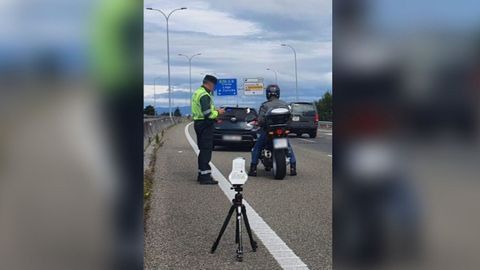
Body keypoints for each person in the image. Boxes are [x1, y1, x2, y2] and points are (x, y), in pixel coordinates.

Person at [248, 84, 297, 176]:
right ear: (278, 94)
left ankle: (253, 168)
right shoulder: (285, 104)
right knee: (288, 147)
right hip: (282, 131)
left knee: (257, 147)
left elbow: (260, 120)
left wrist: (259, 123)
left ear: (268, 94)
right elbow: (290, 119)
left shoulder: (265, 105)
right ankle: (293, 167)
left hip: (268, 132)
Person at [191, 75, 225, 184]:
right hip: (205, 125)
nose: (214, 88)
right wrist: (218, 112)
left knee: (203, 150)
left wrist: (215, 119)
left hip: (199, 123)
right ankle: (205, 178)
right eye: (214, 86)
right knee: (206, 150)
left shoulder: (198, 92)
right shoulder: (204, 95)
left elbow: (204, 112)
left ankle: (202, 174)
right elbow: (207, 113)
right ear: (210, 84)